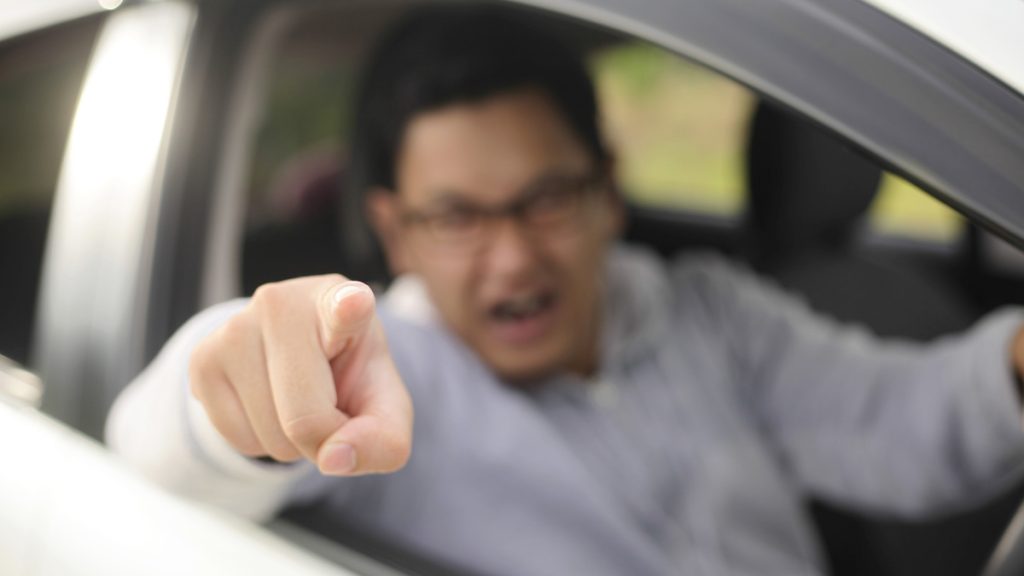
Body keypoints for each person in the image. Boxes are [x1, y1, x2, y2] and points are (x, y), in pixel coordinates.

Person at [107, 5, 1024, 575]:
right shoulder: (374, 391)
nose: (511, 260)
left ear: (609, 190)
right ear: (394, 231)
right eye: (457, 217)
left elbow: (907, 421)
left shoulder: (710, 309)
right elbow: (156, 453)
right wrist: (239, 393)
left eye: (545, 199)